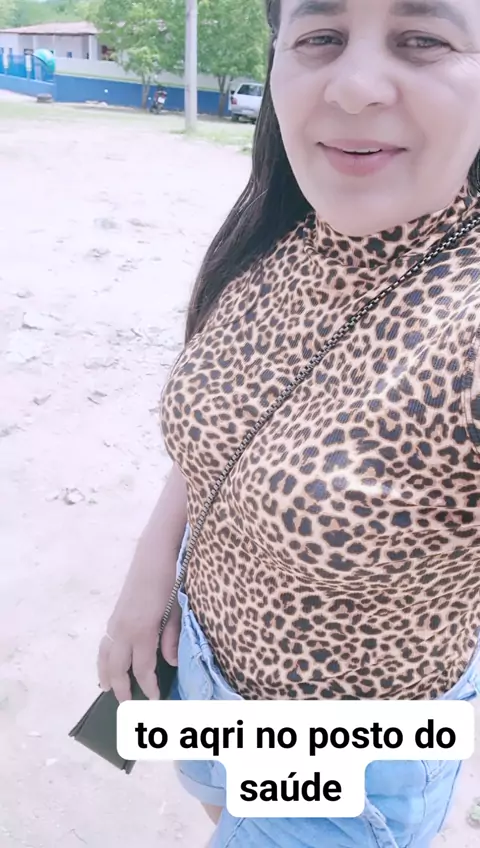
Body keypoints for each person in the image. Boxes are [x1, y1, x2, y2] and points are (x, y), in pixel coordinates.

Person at [97, 0, 480, 845]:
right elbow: (224, 434)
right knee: (217, 806)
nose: (354, 86)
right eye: (321, 38)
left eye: (423, 39)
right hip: (200, 661)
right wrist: (147, 576)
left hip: (348, 761)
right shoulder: (277, 234)